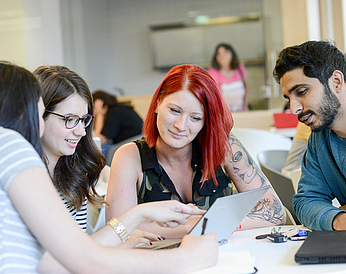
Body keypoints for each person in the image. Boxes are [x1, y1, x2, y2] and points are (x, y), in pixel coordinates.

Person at [0, 61, 219, 273]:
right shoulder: (4, 142)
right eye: (40, 111)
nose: (81, 131)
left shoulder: (57, 167)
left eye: (84, 120)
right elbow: (80, 261)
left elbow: (62, 258)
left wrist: (139, 214)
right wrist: (185, 258)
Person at [106, 64, 285, 239]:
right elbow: (117, 230)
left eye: (195, 118)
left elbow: (275, 212)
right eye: (175, 110)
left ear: (206, 121)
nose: (181, 126)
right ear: (158, 103)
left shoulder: (224, 146)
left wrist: (198, 225)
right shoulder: (129, 156)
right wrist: (203, 224)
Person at [34, 65, 162, 246]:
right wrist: (131, 223)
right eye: (69, 119)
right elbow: (62, 256)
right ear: (38, 115)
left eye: (84, 120)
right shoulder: (25, 178)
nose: (80, 131)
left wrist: (123, 237)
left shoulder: (75, 171)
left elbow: (79, 247)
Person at [273, 40, 346, 231]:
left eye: (302, 92)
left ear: (336, 81)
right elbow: (306, 201)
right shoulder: (318, 138)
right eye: (289, 98)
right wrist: (338, 219)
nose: (294, 108)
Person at [92, 90, 143, 156]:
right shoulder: (119, 109)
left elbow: (99, 139)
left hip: (134, 143)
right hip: (136, 142)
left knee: (102, 148)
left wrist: (99, 113)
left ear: (101, 104)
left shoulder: (114, 113)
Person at [208, 43, 249, 112]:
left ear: (231, 54)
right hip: (223, 113)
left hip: (241, 111)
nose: (222, 56)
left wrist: (245, 105)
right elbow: (211, 94)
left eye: (225, 53)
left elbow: (246, 86)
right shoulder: (212, 72)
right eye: (219, 54)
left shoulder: (239, 67)